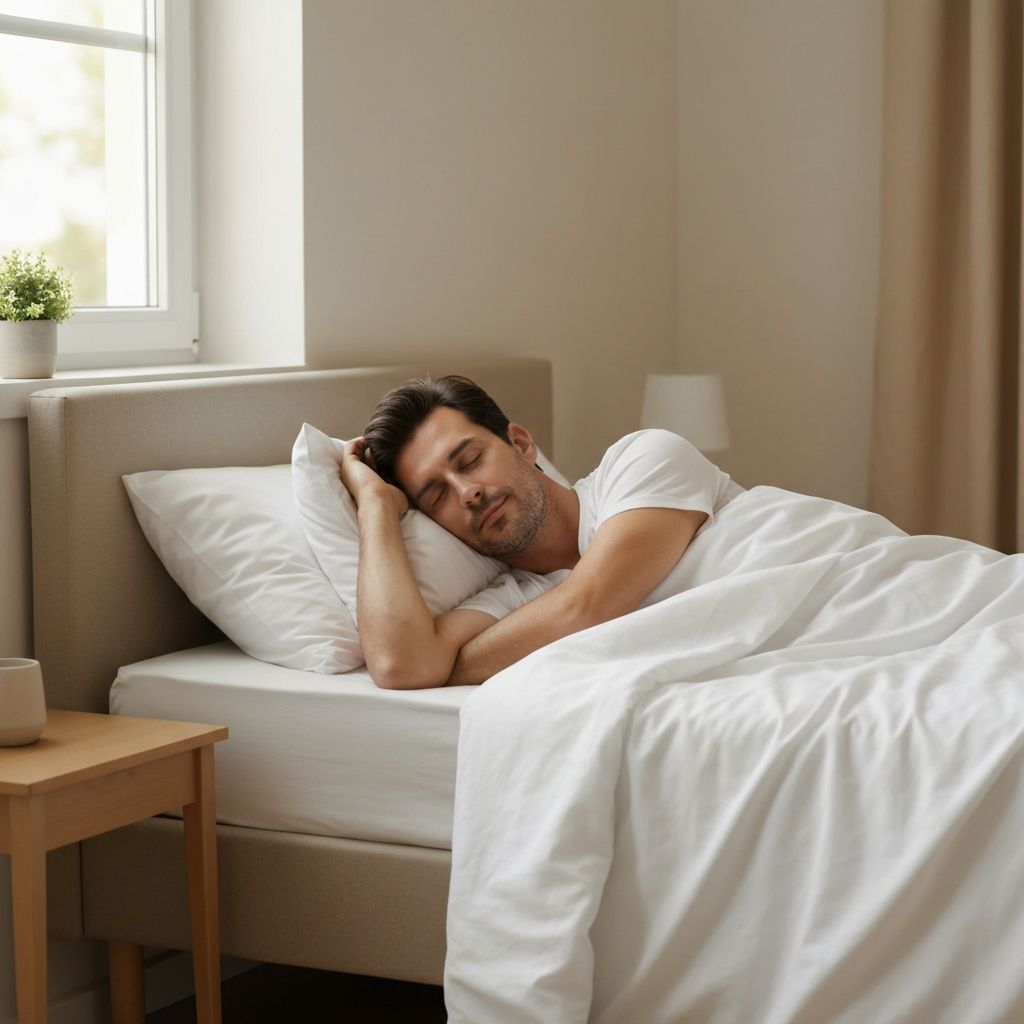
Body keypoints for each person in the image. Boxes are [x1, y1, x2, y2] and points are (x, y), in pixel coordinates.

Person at [339, 375, 744, 689]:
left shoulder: (642, 459)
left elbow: (585, 606)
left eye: (471, 459)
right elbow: (401, 664)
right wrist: (376, 506)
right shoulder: (512, 600)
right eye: (437, 494)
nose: (467, 492)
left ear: (520, 443)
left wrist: (450, 666)